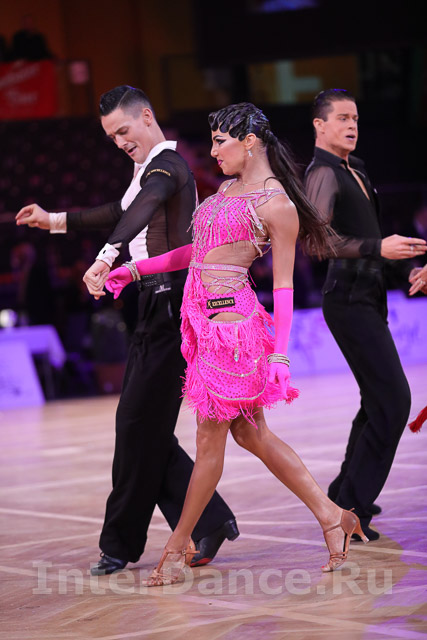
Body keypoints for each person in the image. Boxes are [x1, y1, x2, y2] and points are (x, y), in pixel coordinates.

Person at [105, 102, 368, 587]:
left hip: (232, 333)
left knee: (210, 442)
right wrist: (136, 268)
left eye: (220, 141)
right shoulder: (226, 190)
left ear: (249, 143)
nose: (213, 152)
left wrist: (280, 354)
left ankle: (174, 549)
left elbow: (284, 287)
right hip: (204, 328)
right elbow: (196, 253)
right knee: (252, 435)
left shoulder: (277, 204)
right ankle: (333, 517)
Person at [15, 85, 239, 574]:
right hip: (152, 305)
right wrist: (53, 220)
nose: (119, 142)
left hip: (173, 306)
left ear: (147, 117)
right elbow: (122, 212)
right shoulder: (146, 170)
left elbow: (141, 206)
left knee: (138, 427)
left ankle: (120, 544)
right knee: (143, 427)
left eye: (123, 130)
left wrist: (105, 257)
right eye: (111, 136)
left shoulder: (167, 167)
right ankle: (210, 519)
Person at [304, 89, 427, 541]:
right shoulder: (321, 173)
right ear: (319, 125)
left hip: (369, 296)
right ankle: (350, 509)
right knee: (393, 401)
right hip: (348, 300)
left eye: (355, 118)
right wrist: (379, 246)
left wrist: (407, 270)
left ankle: (343, 497)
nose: (351, 125)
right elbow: (317, 242)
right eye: (341, 118)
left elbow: (371, 245)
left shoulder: (355, 168)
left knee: (376, 401)